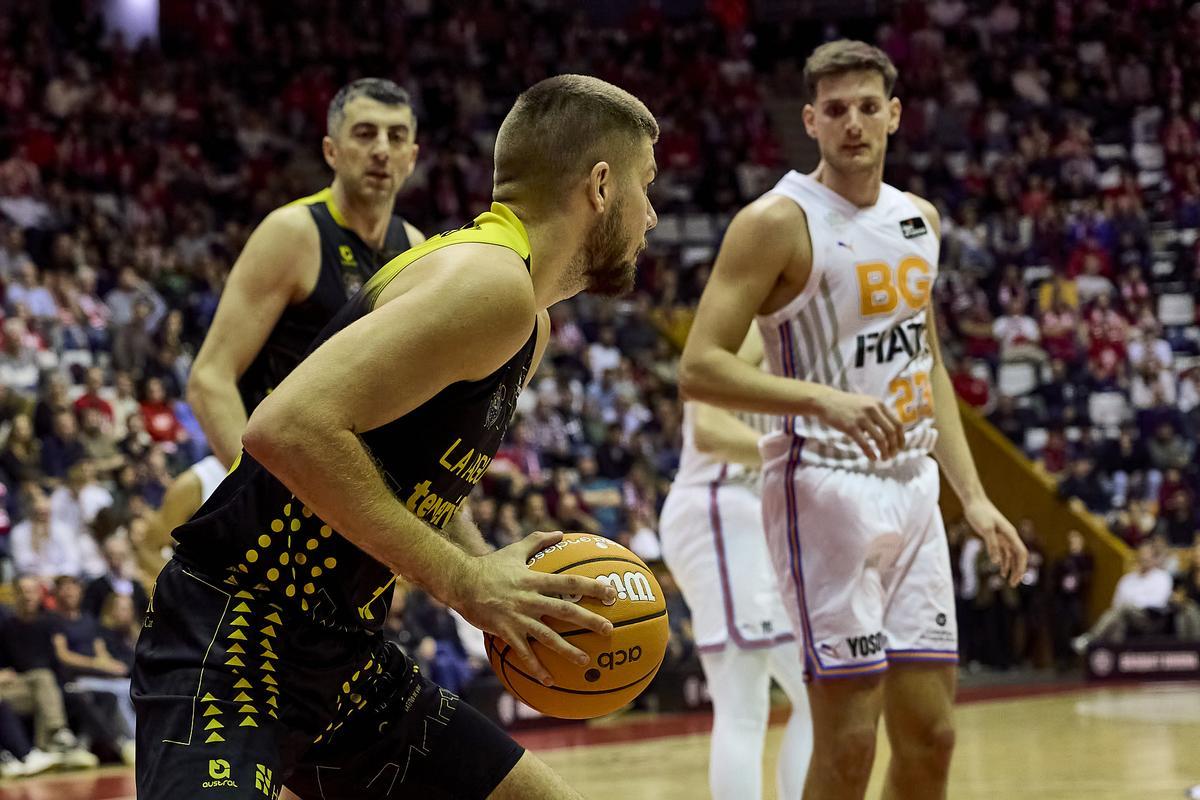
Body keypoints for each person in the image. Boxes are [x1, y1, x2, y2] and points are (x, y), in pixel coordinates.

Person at [133, 74, 659, 799]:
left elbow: (414, 476)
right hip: (236, 637)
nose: (653, 215)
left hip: (344, 653)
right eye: (647, 186)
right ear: (601, 186)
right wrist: (464, 581)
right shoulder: (489, 282)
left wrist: (487, 563)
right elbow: (283, 426)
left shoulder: (521, 315)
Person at [678, 40, 1026, 800]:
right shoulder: (775, 221)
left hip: (914, 491)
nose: (854, 123)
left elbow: (927, 364)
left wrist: (972, 497)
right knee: (847, 744)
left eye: (869, 107)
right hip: (822, 489)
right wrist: (822, 399)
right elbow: (700, 366)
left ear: (895, 115)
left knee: (932, 737)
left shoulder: (919, 220)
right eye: (835, 109)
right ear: (811, 120)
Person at [188, 77, 426, 471]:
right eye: (365, 134)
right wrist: (252, 489)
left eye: (396, 137)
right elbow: (210, 378)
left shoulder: (414, 246)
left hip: (353, 487)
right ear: (331, 151)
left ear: (412, 157)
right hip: (282, 481)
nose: (382, 150)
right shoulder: (294, 233)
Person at [660, 324, 812, 800]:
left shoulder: (811, 331)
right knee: (742, 706)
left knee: (821, 696)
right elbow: (709, 429)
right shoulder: (748, 320)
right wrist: (803, 452)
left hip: (753, 516)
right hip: (719, 510)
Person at [1072, 541, 1173, 650]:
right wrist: (1128, 606)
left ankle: (1090, 639)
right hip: (1126, 616)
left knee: (1124, 609)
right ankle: (1116, 655)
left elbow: (1158, 602)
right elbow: (1116, 604)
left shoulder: (1162, 577)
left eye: (1147, 555)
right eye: (1142, 554)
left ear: (1153, 557)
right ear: (1137, 557)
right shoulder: (1127, 579)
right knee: (1118, 620)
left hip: (1151, 618)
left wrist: (1132, 604)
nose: (1144, 558)